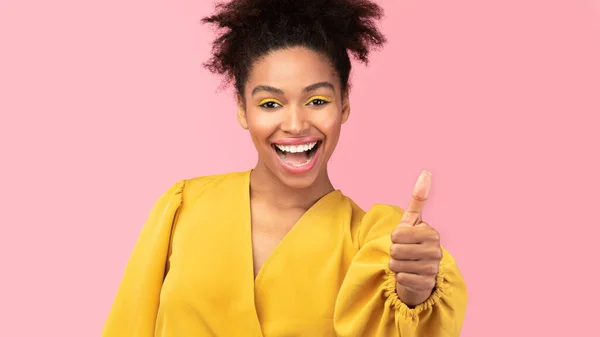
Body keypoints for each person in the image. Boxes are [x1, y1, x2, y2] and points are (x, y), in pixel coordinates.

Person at [101, 0, 468, 336]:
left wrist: (414, 296)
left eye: (317, 100)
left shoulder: (376, 243)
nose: (294, 124)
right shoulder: (182, 208)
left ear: (344, 106)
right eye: (270, 104)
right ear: (243, 110)